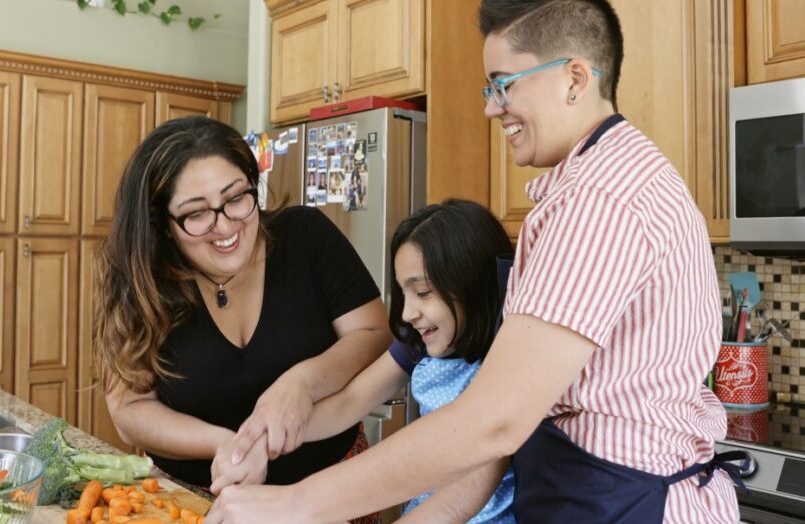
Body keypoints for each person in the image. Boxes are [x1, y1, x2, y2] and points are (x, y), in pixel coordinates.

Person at [206, 1, 743, 522]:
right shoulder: (612, 179)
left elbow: (495, 422)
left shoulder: (599, 201)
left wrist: (295, 505)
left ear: (575, 79)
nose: (491, 107)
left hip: (631, 503)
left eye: (503, 85)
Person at [92, 116, 391, 501]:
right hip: (198, 499)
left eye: (235, 198)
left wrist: (303, 381)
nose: (225, 225)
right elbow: (130, 411)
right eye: (197, 213)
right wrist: (232, 445)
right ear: (163, 224)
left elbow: (374, 334)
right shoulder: (142, 278)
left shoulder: (307, 237)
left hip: (330, 491)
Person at [211, 200, 517, 523]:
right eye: (404, 293)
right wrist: (264, 439)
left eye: (423, 293)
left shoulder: (508, 360)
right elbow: (349, 401)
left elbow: (462, 497)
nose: (407, 314)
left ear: (472, 286)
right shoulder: (418, 345)